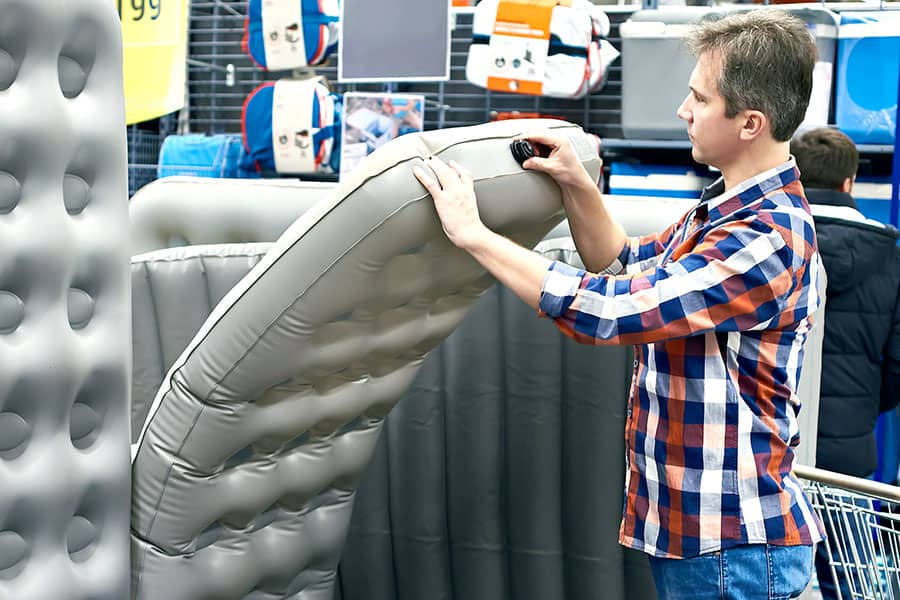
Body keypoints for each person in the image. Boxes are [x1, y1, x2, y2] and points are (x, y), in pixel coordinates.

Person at [413, 9, 824, 600]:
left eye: (699, 100)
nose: (684, 111)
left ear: (749, 123)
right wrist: (578, 183)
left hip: (734, 549)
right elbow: (621, 263)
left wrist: (474, 235)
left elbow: (609, 313)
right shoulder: (720, 212)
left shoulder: (766, 237)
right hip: (701, 540)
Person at [790, 127, 900, 600]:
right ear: (849, 183)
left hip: (769, 443)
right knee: (847, 577)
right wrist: (861, 409)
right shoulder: (890, 253)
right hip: (848, 453)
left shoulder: (772, 237)